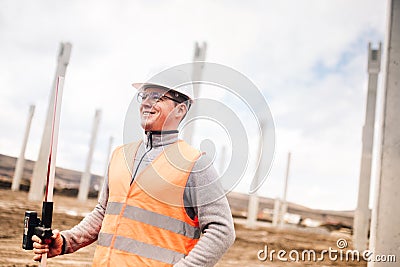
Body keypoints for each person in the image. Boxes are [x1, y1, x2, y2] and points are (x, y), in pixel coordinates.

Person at [32, 72, 236, 266]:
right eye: (144, 95)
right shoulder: (120, 156)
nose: (146, 102)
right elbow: (104, 212)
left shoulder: (195, 164)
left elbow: (222, 230)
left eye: (156, 97)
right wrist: (67, 241)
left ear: (180, 109)